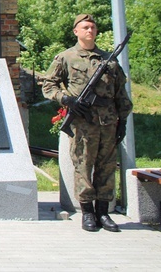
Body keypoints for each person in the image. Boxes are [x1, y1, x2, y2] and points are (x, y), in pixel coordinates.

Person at [41, 14, 132, 232]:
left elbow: (120, 92)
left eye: (93, 27)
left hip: (108, 121)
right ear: (76, 31)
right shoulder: (66, 57)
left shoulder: (109, 59)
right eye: (85, 27)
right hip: (83, 123)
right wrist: (67, 99)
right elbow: (48, 85)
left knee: (107, 167)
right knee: (83, 165)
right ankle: (87, 212)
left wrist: (123, 120)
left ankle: (103, 213)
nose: (90, 30)